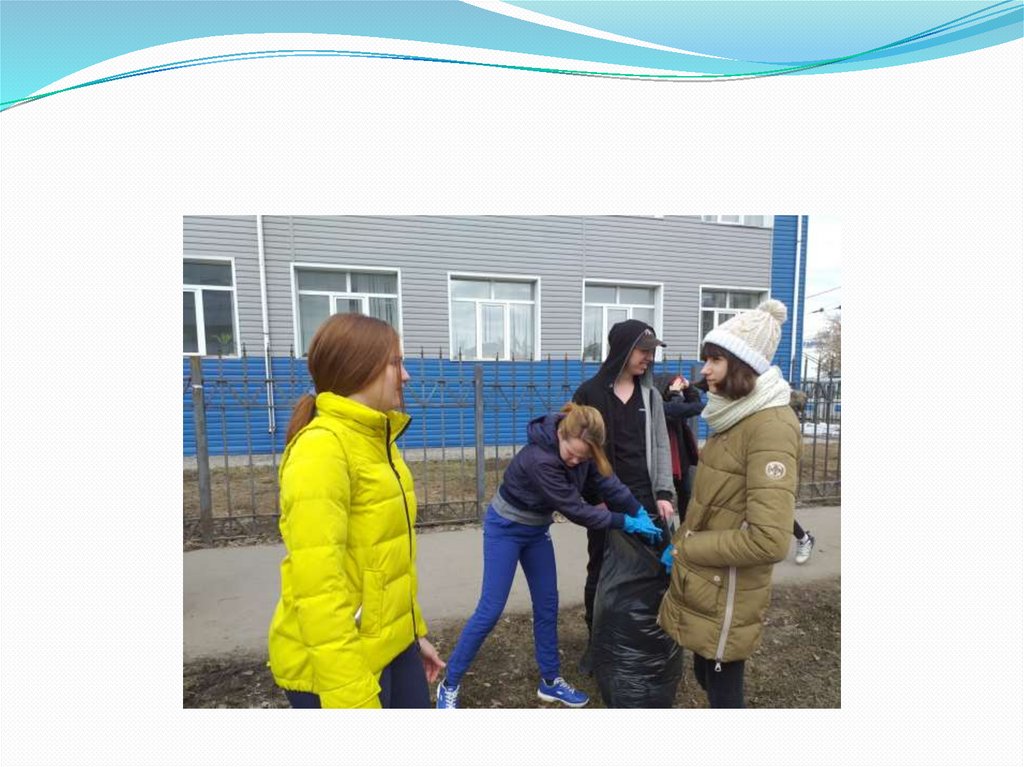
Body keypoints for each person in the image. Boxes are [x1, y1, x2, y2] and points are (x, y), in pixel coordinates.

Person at [267, 313, 445, 708]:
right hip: (337, 666)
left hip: (390, 644)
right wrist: (350, 696)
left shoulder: (376, 440)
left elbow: (386, 559)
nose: (406, 376)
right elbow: (318, 590)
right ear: (359, 367)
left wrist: (412, 633)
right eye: (396, 363)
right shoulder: (322, 449)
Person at [435, 403, 662, 709]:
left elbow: (609, 484)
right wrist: (624, 521)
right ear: (560, 434)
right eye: (572, 454)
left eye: (583, 458)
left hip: (536, 530)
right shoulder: (539, 459)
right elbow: (576, 510)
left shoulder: (583, 452)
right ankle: (449, 683)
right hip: (505, 529)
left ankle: (550, 681)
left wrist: (637, 510)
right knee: (490, 609)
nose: (575, 461)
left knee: (547, 604)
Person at [657, 299, 801, 708]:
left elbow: (769, 540)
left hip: (729, 590)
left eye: (715, 360)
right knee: (706, 674)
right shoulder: (735, 416)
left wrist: (688, 548)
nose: (704, 370)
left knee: (723, 693)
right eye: (707, 359)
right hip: (711, 582)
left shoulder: (770, 427)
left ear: (743, 365)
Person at [572, 319, 675, 674]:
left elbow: (660, 444)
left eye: (651, 352)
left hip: (645, 497)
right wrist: (592, 498)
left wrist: (664, 493)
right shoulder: (589, 393)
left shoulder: (651, 396)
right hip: (605, 501)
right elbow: (579, 450)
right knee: (601, 570)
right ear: (623, 350)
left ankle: (643, 641)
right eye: (644, 351)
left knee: (652, 569)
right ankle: (597, 643)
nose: (649, 358)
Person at [654, 371, 704, 520]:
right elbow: (673, 410)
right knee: (664, 499)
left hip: (680, 458)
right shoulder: (656, 405)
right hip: (662, 459)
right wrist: (675, 393)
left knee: (686, 494)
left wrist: (688, 387)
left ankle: (685, 527)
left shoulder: (672, 402)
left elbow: (697, 406)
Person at [788, 389, 816, 564]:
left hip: (777, 472)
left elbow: (796, 453)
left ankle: (804, 539)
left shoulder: (789, 423)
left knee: (777, 510)